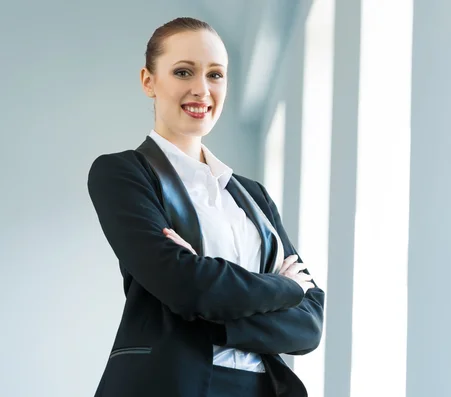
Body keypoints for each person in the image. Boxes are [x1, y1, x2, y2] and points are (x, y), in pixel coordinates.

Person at [87, 17, 325, 397]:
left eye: (216, 75)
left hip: (261, 388)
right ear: (149, 81)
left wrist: (209, 309)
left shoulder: (253, 195)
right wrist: (283, 286)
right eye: (184, 72)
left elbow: (310, 322)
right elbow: (184, 287)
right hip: (170, 385)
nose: (202, 89)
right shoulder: (122, 173)